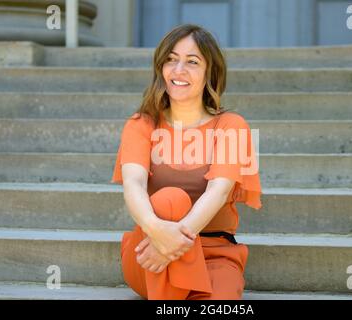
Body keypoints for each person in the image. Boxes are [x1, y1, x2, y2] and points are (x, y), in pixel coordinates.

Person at [110, 24, 262, 300]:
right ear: (161, 67)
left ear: (209, 72)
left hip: (214, 254)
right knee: (170, 199)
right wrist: (158, 235)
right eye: (171, 59)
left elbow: (218, 191)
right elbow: (133, 183)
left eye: (192, 62)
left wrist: (174, 244)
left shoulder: (230, 126)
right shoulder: (141, 124)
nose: (178, 70)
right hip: (150, 254)